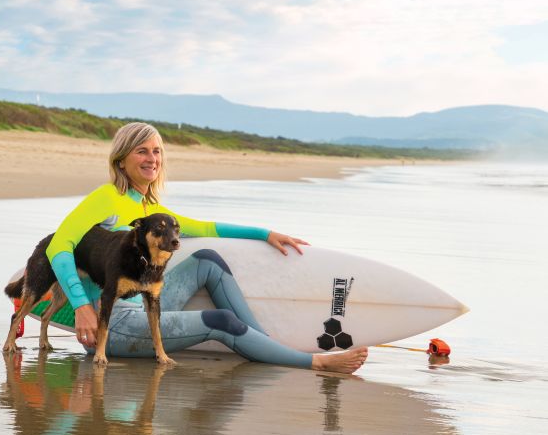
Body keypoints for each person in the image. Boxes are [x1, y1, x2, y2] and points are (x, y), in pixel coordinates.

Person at [46, 122, 367, 373]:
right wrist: (81, 307)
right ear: (121, 159)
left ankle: (266, 345)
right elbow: (59, 247)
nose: (152, 159)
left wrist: (265, 234)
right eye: (142, 151)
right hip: (113, 325)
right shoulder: (106, 198)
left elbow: (204, 227)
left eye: (157, 151)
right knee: (222, 322)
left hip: (142, 309)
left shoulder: (147, 207)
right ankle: (317, 364)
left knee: (207, 260)